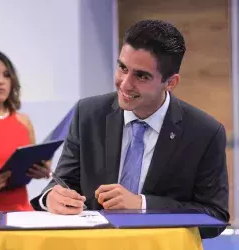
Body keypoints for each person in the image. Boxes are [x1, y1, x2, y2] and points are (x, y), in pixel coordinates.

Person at [31, 20, 229, 238]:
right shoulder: (88, 114)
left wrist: (142, 205)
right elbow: (62, 182)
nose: (125, 84)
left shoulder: (205, 132)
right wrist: (50, 197)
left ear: (170, 82)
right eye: (122, 68)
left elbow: (215, 217)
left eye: (141, 76)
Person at [0, 50, 51, 217]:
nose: (1, 81)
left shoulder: (24, 121)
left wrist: (41, 170)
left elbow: (29, 163)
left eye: (6, 75)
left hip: (21, 215)